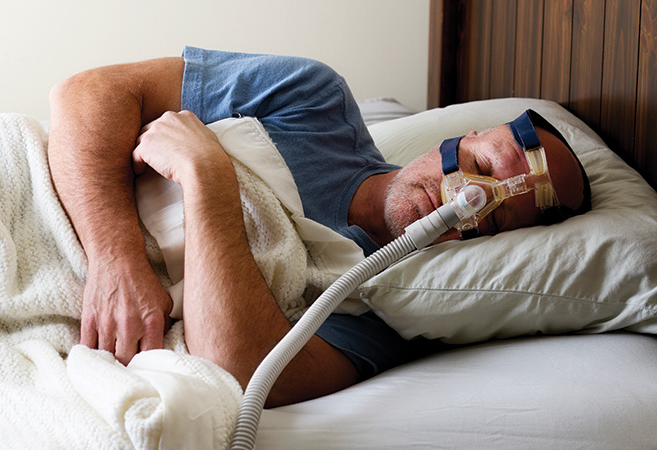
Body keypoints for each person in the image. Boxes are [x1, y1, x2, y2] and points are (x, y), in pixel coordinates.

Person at [47, 47, 591, 407]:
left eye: (494, 215)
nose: (463, 198)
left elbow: (239, 372)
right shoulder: (312, 100)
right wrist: (115, 257)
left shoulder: (387, 312)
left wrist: (207, 175)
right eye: (483, 167)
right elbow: (87, 94)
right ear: (466, 135)